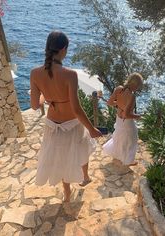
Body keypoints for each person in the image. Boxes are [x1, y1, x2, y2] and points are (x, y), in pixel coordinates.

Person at [30, 31, 102, 202]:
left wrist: (45, 97)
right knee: (82, 149)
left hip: (52, 124)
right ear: (64, 49)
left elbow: (34, 105)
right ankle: (85, 177)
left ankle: (67, 192)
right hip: (72, 124)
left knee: (61, 158)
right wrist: (92, 129)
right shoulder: (70, 74)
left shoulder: (34, 73)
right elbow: (76, 108)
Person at [103, 72, 143, 166]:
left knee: (119, 137)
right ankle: (128, 160)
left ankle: (119, 156)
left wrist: (118, 104)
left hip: (119, 119)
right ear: (135, 85)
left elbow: (109, 102)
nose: (138, 88)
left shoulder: (119, 89)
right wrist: (138, 116)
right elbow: (127, 115)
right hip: (127, 122)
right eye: (138, 86)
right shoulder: (132, 96)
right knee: (131, 139)